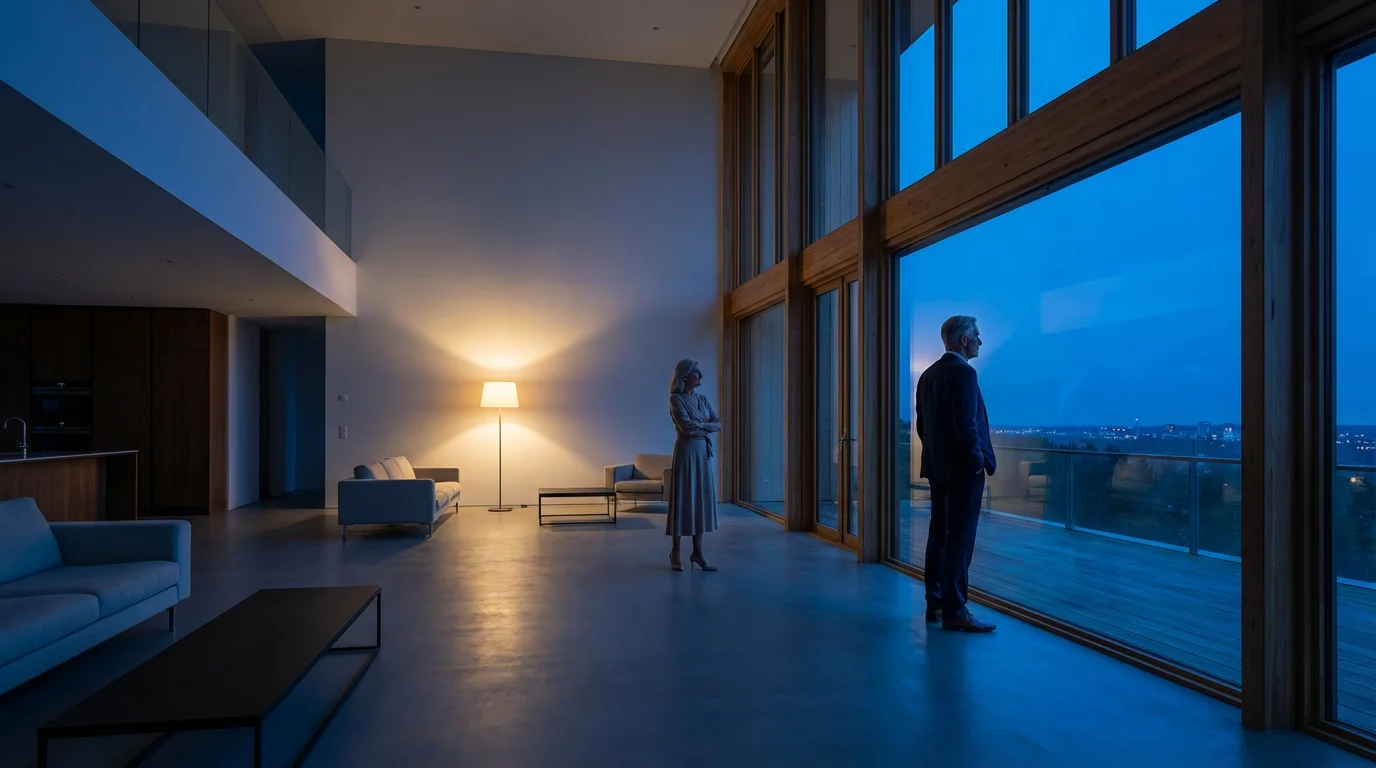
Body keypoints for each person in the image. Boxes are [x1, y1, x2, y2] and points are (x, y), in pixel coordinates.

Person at [915, 316, 997, 632]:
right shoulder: (964, 374)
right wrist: (976, 461)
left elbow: (923, 426)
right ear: (963, 340)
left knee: (938, 536)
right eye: (976, 335)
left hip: (938, 469)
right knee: (960, 541)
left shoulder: (928, 376)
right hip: (964, 471)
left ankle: (935, 604)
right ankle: (955, 610)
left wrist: (939, 457)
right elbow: (967, 424)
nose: (980, 340)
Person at [666, 359, 721, 572]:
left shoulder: (703, 399)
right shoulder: (676, 400)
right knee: (683, 499)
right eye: (696, 372)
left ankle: (697, 552)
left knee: (700, 500)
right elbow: (687, 428)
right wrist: (707, 427)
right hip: (686, 452)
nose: (700, 376)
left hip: (702, 454)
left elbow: (719, 423)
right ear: (685, 375)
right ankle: (676, 551)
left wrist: (703, 427)